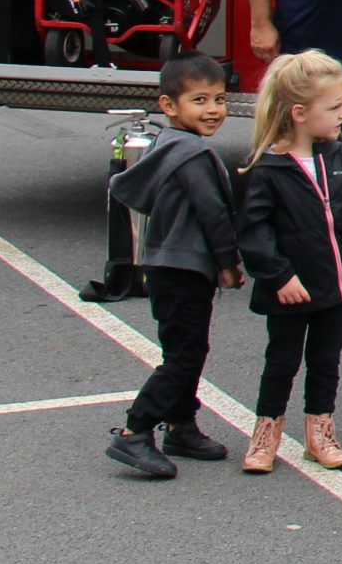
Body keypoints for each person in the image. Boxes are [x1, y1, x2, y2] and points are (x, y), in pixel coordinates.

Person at [103, 52, 244, 479]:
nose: (213, 111)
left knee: (185, 349)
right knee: (184, 355)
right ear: (169, 106)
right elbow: (213, 213)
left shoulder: (169, 145)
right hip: (185, 269)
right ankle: (135, 429)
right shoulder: (194, 155)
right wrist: (229, 262)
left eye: (219, 100)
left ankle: (181, 425)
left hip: (165, 266)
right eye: (199, 101)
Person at [236, 50, 342, 474]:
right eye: (335, 107)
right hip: (289, 290)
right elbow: (254, 231)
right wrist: (279, 275)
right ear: (300, 113)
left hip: (335, 287)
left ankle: (319, 434)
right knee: (281, 362)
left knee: (326, 362)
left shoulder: (340, 157)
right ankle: (265, 434)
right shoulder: (267, 167)